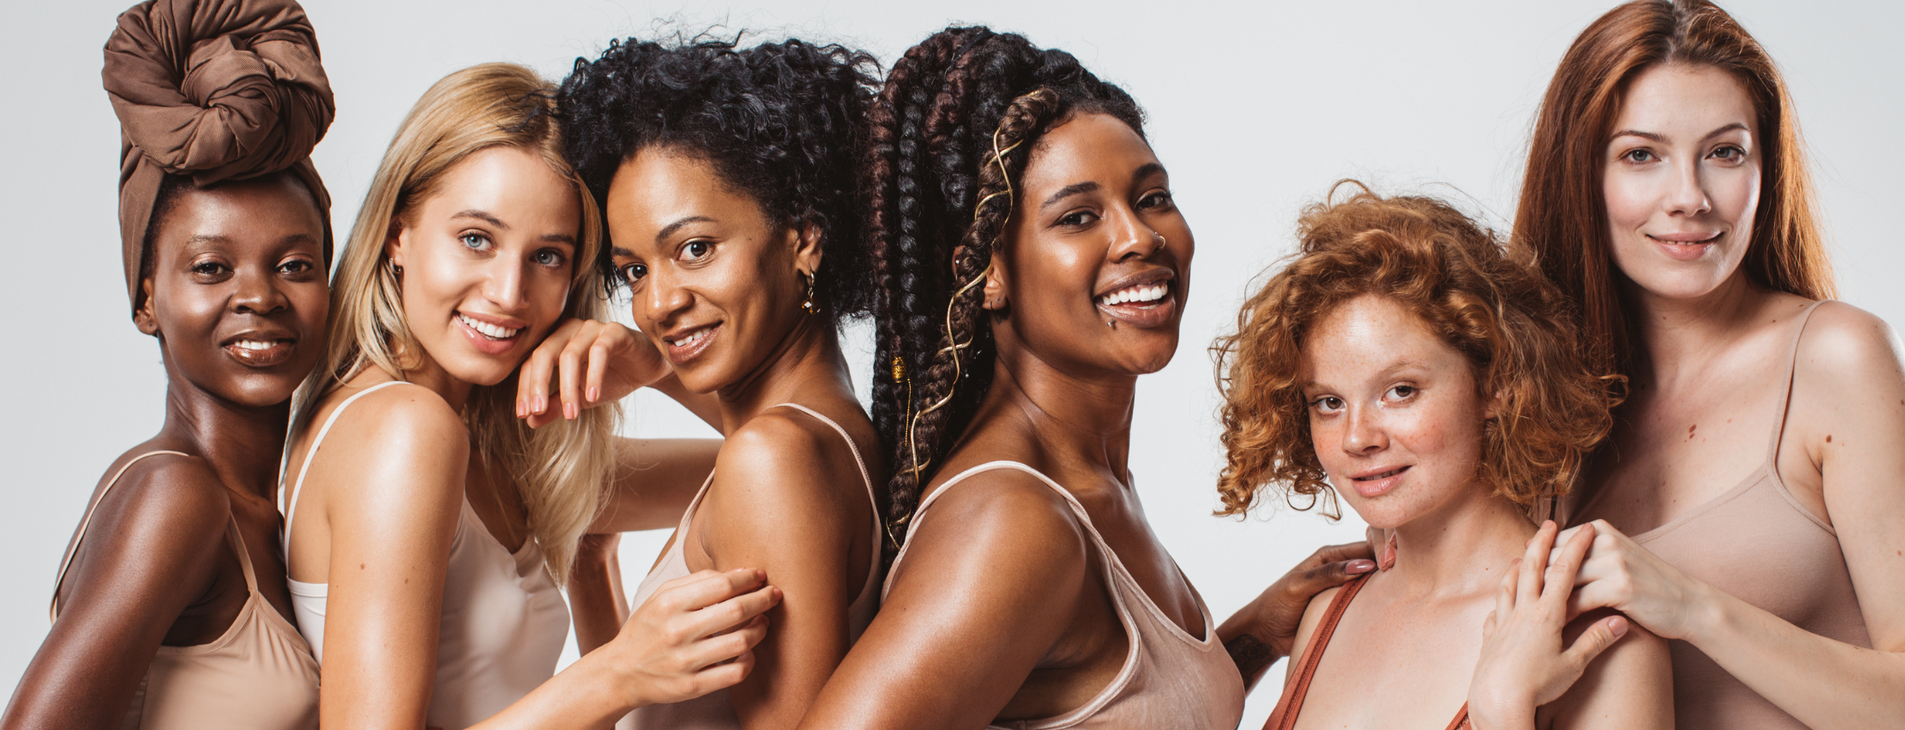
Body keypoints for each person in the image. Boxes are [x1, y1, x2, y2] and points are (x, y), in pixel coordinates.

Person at [279, 62, 779, 730]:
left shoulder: (495, 442)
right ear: (399, 235)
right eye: (476, 239)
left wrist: (655, 362)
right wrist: (620, 670)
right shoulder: (404, 429)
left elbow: (774, 456)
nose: (509, 293)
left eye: (547, 256)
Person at [794, 27, 1243, 729]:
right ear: (986, 270)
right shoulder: (1015, 521)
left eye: (1152, 198)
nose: (1139, 238)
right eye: (1079, 217)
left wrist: (1258, 634)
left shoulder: (1088, 478)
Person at [1513, 1, 1905, 726]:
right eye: (1641, 155)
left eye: (1725, 152)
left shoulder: (1836, 360)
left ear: (1767, 168)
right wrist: (1261, 631)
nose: (1690, 199)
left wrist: (1693, 607)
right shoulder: (1540, 404)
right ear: (1580, 174)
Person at [516, 36, 885, 730]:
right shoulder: (829, 435)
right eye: (634, 270)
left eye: (694, 249)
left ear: (805, 236)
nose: (656, 304)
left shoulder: (769, 460)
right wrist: (592, 568)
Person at [1216, 185, 1671, 729]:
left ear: (1496, 384)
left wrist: (1503, 714)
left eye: (1401, 390)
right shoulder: (1324, 616)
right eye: (1329, 402)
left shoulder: (1597, 634)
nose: (1358, 437)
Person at [2, 1, 333, 727]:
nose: (260, 295)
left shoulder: (274, 516)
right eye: (212, 267)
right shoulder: (175, 497)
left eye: (296, 264)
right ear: (146, 299)